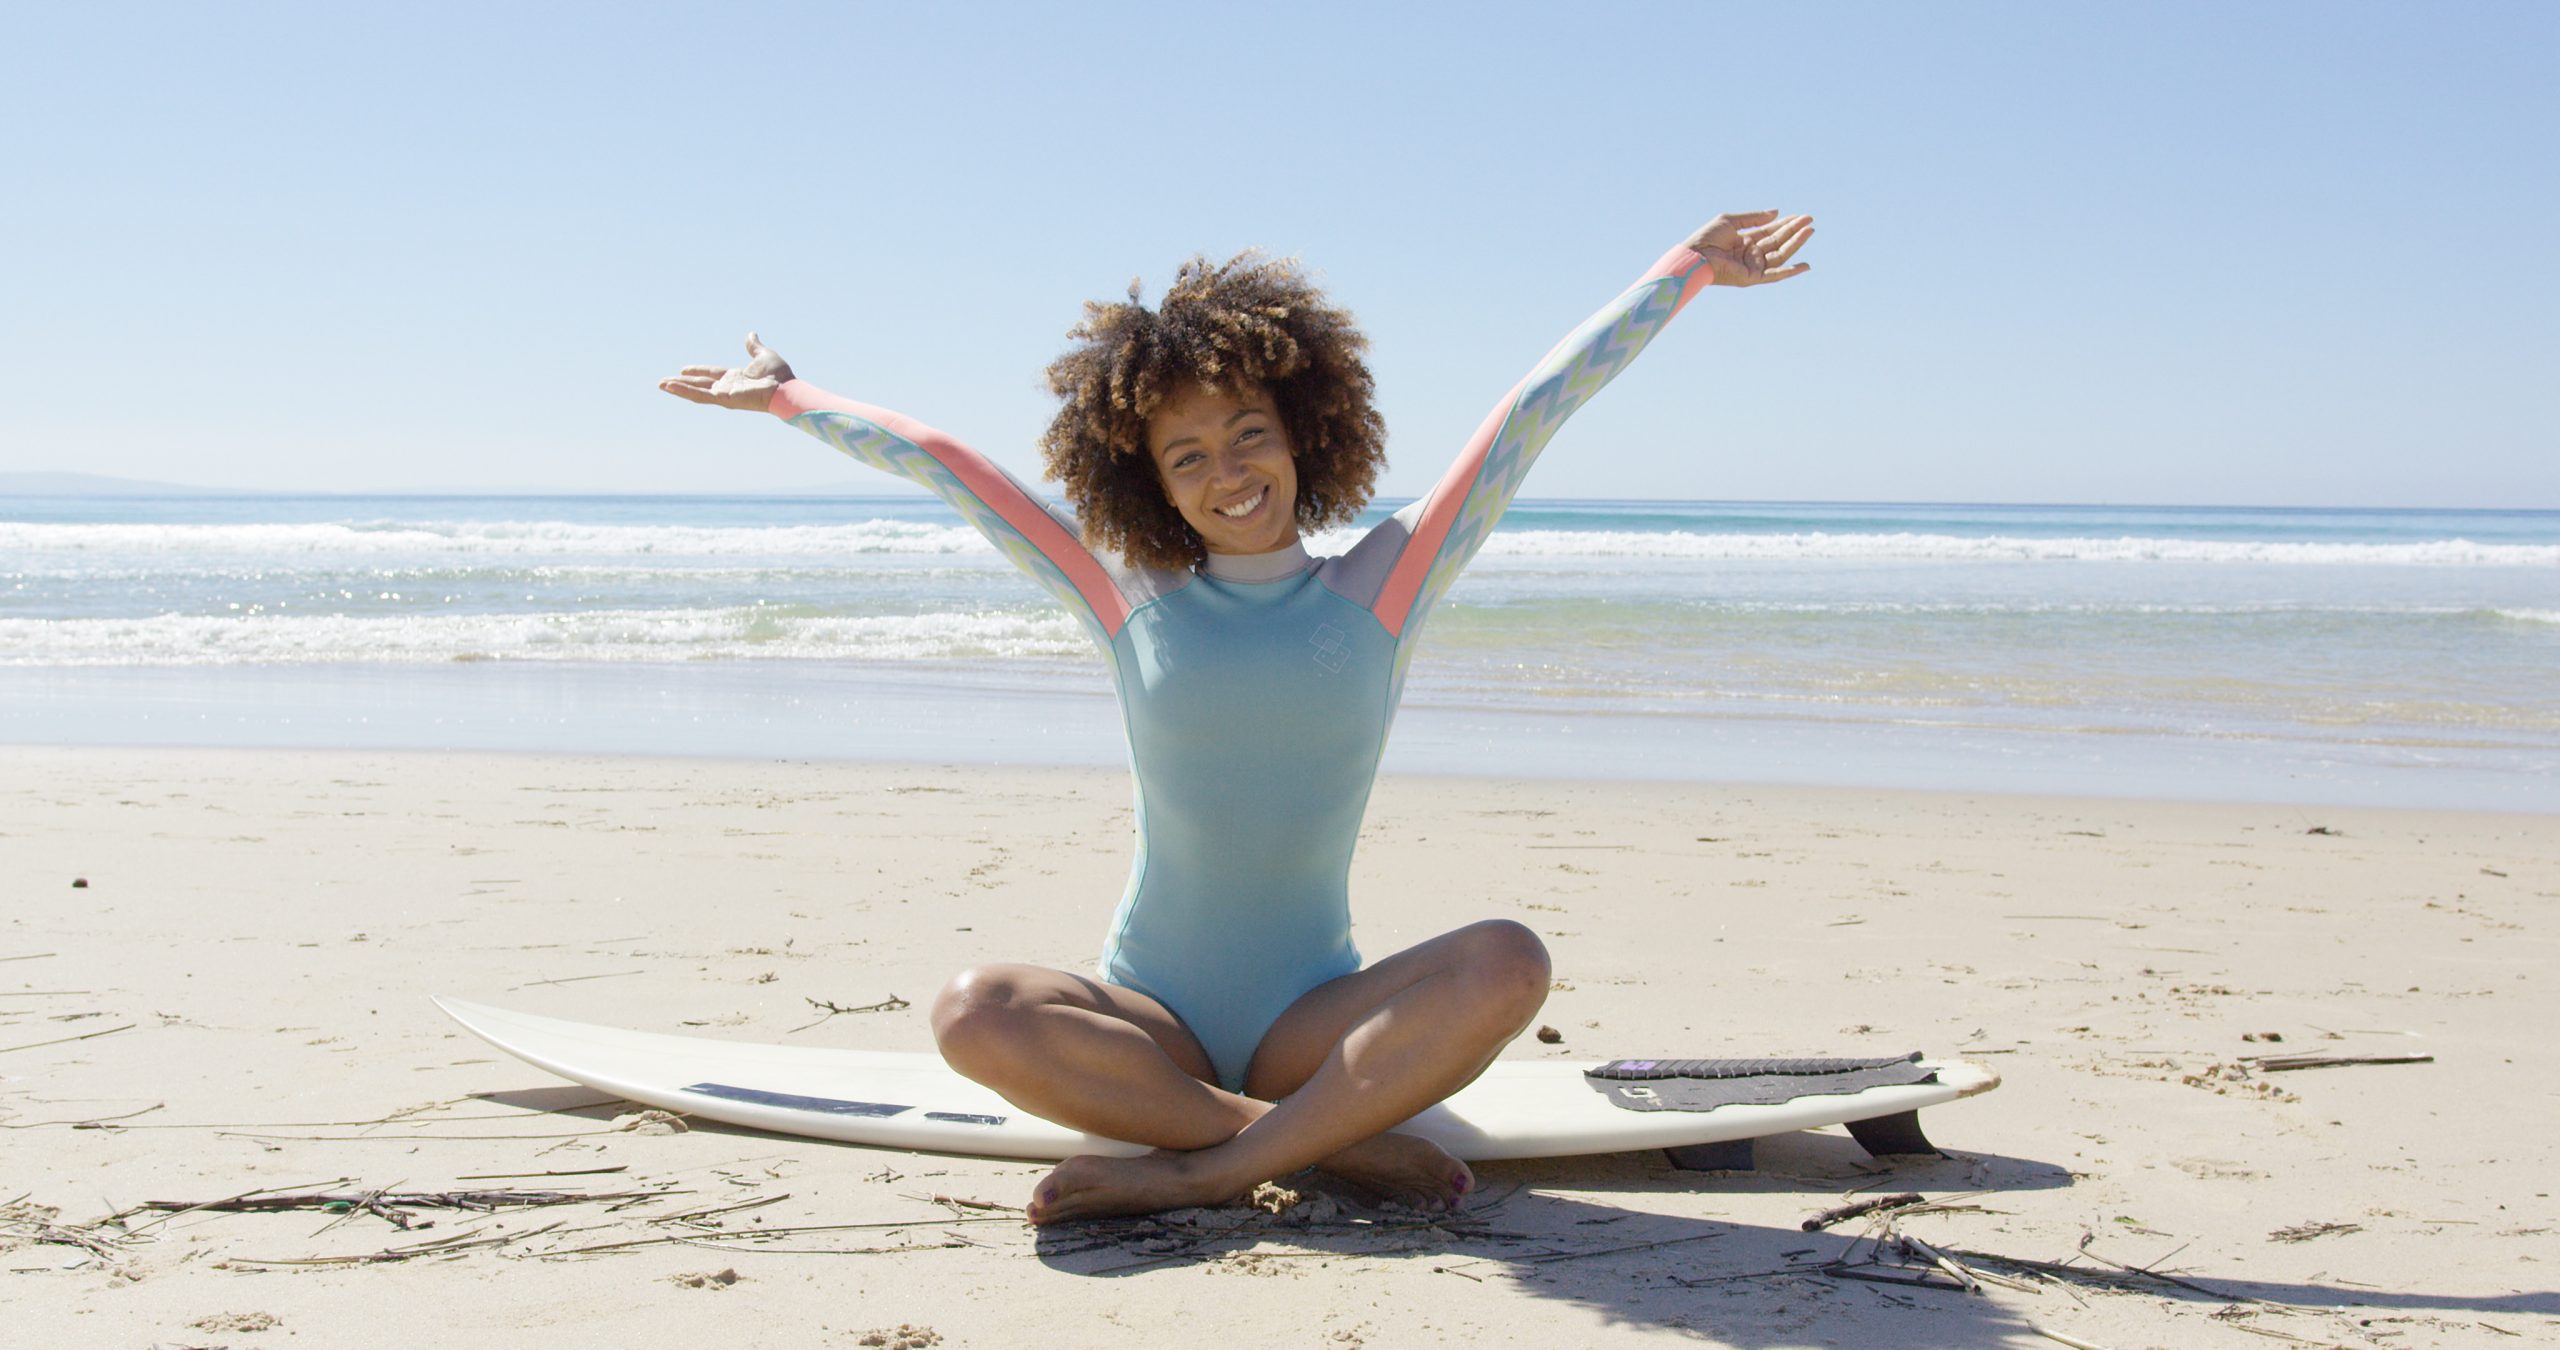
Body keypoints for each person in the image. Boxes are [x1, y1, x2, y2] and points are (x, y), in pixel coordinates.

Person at [661, 211, 1814, 1224]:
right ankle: (1322, 1142)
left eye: (1248, 432)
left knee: (1509, 960)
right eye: (1188, 455)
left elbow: (1527, 417)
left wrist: (1683, 271)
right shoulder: (1125, 593)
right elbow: (953, 467)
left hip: (1313, 1021)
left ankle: (1206, 1169)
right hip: (1146, 1017)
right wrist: (789, 397)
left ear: (1300, 430)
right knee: (974, 1012)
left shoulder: (1385, 583)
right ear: (1151, 483)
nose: (1228, 471)